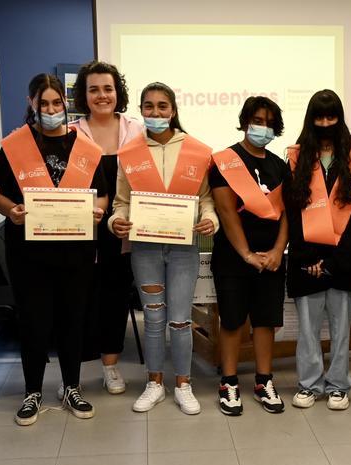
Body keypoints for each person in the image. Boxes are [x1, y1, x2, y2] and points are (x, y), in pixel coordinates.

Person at [0, 73, 109, 425]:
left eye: (57, 103)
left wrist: (98, 210)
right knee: (34, 321)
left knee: (73, 318)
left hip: (75, 249)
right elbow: (1, 196)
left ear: (66, 104)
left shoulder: (84, 148)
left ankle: (72, 386)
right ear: (32, 104)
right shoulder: (14, 146)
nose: (52, 109)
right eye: (45, 104)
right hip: (29, 251)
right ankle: (33, 392)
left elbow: (101, 193)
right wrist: (12, 210)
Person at [108, 82, 216, 414]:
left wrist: (211, 219)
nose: (156, 113)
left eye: (162, 106)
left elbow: (207, 200)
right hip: (146, 249)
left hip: (184, 249)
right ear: (141, 111)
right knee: (154, 319)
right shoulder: (129, 153)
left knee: (180, 320)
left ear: (173, 110)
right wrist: (117, 222)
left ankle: (183, 383)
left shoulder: (198, 151)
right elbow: (121, 203)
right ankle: (154, 383)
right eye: (149, 107)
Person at [285, 90, 351, 411]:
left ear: (340, 117)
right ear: (310, 119)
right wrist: (309, 259)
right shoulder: (296, 157)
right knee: (308, 331)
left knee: (340, 329)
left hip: (344, 260)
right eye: (319, 117)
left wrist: (335, 260)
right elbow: (292, 211)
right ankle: (309, 384)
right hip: (305, 260)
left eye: (330, 116)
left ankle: (338, 384)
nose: (325, 123)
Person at [209, 96, 289, 415]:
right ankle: (229, 382)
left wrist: (277, 251)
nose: (263, 127)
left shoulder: (280, 166)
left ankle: (263, 381)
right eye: (258, 120)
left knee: (266, 321)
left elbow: (288, 214)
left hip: (270, 258)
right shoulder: (224, 160)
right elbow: (227, 211)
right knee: (231, 320)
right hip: (233, 257)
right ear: (245, 121)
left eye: (270, 123)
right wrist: (245, 254)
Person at [72, 61, 144, 395]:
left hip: (123, 229)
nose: (102, 95)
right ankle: (73, 375)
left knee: (115, 296)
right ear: (83, 95)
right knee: (78, 298)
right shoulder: (71, 133)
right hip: (79, 230)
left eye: (108, 88)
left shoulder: (136, 130)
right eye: (94, 89)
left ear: (118, 92)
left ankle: (110, 367)